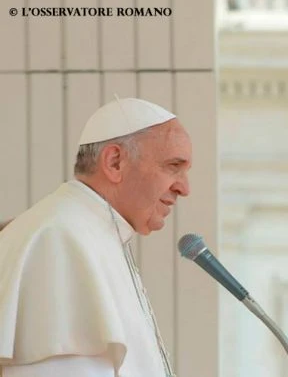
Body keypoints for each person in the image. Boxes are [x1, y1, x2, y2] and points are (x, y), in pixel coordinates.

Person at [0, 97, 192, 377]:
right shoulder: (60, 238)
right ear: (115, 162)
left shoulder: (93, 232)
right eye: (173, 166)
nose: (184, 188)